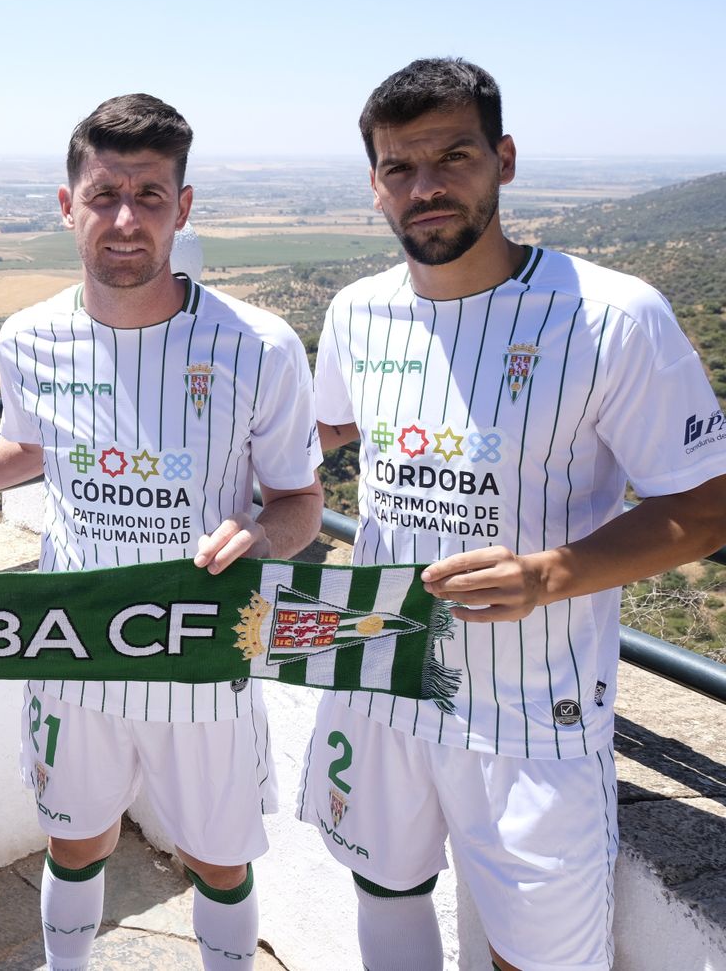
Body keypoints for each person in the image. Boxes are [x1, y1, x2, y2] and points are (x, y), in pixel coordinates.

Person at [300, 57, 726, 971]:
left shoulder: (614, 317)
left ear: (505, 158)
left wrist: (550, 575)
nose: (427, 187)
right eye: (400, 168)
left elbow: (704, 508)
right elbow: (313, 442)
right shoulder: (355, 312)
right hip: (380, 676)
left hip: (539, 715)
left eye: (453, 156)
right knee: (385, 889)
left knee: (539, 957)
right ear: (375, 185)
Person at [0, 94, 325, 971]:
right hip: (73, 649)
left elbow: (298, 502)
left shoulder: (262, 344)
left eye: (149, 194)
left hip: (201, 654)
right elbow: (26, 451)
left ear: (184, 206)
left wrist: (261, 538)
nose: (126, 219)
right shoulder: (28, 337)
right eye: (104, 195)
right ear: (69, 207)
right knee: (74, 843)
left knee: (220, 859)